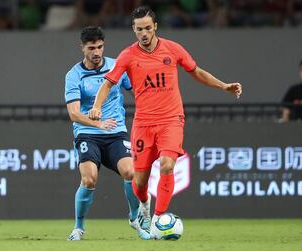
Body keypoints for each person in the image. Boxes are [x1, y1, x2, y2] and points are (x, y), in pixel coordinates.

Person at [88, 6, 242, 231]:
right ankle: (145, 204)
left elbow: (196, 71)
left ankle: (158, 220)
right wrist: (97, 106)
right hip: (143, 123)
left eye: (148, 28)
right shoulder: (128, 55)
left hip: (171, 119)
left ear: (155, 27)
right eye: (139, 29)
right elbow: (108, 82)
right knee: (139, 184)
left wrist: (223, 86)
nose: (144, 33)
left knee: (167, 165)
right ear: (134, 29)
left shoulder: (173, 49)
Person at [64, 26, 151, 241]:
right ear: (82, 48)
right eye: (91, 48)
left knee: (131, 172)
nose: (96, 52)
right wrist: (99, 124)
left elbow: (138, 91)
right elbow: (74, 114)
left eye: (100, 47)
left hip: (116, 132)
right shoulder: (74, 75)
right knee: (89, 178)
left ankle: (133, 218)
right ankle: (79, 227)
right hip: (87, 133)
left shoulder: (116, 66)